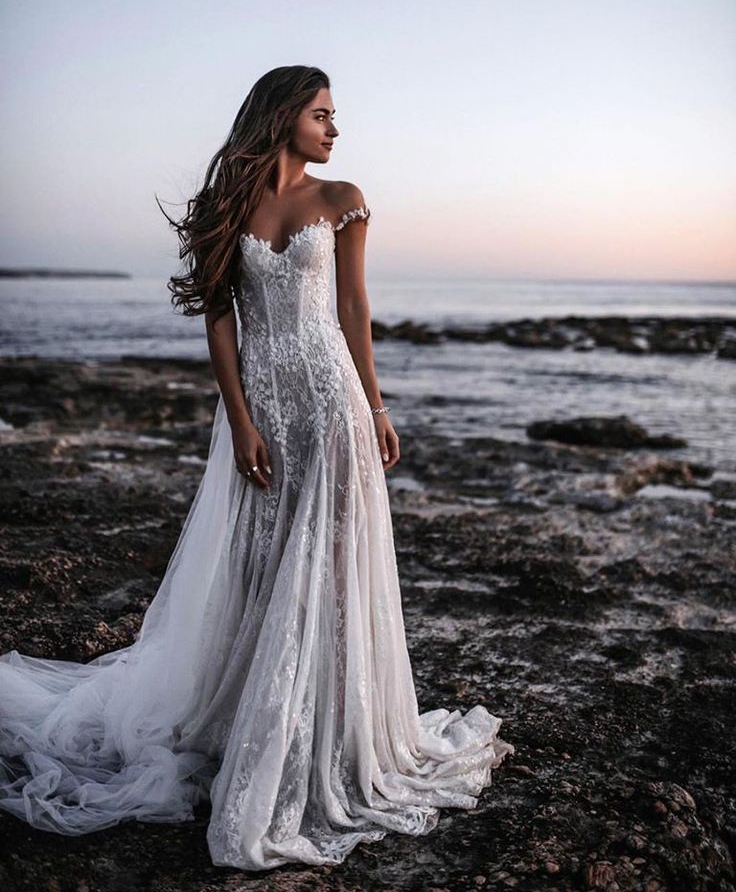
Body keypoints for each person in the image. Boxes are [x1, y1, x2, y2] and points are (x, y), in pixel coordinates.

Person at [0, 65, 514, 871]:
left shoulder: (342, 198)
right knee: (257, 562)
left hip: (332, 406)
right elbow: (219, 326)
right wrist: (240, 422)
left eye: (334, 115)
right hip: (265, 413)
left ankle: (334, 731)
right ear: (283, 117)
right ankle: (246, 718)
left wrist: (377, 407)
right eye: (321, 113)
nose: (335, 127)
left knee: (333, 564)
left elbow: (352, 310)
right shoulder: (227, 208)